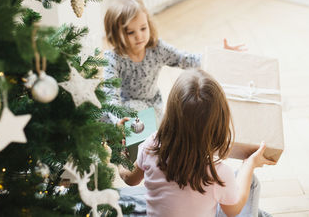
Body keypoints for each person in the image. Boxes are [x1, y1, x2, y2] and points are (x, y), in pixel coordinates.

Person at [117, 69, 276, 217]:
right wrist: (249, 164)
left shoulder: (151, 146)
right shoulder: (218, 174)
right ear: (219, 124)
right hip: (217, 195)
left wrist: (118, 149)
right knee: (251, 182)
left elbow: (130, 179)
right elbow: (233, 210)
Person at [102, 0, 245, 125]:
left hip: (150, 109)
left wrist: (219, 54)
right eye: (130, 32)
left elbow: (186, 60)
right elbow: (110, 94)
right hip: (122, 111)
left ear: (149, 25)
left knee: (135, 110)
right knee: (100, 115)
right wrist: (117, 118)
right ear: (116, 34)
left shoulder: (156, 48)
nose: (139, 36)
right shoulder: (114, 59)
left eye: (143, 28)